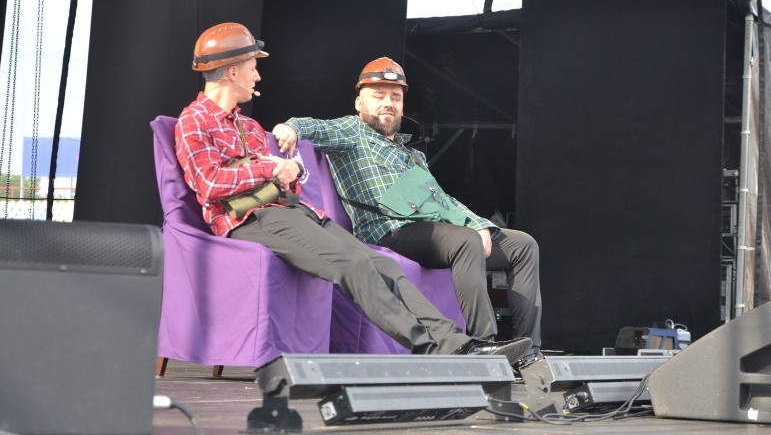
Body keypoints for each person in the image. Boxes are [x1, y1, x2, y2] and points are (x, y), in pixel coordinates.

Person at [176, 23, 532, 363]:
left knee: (383, 264)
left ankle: (460, 346)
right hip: (249, 217)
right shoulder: (194, 120)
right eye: (253, 67)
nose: (258, 76)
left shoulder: (249, 125)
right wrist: (271, 169)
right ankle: (430, 349)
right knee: (354, 263)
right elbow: (209, 184)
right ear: (233, 72)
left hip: (293, 210)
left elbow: (285, 180)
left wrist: (290, 171)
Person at [273, 56, 543, 366]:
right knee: (465, 240)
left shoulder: (411, 153)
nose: (388, 103)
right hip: (390, 231)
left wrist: (478, 223)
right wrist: (290, 128)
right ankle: (485, 347)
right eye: (379, 95)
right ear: (359, 102)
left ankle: (529, 353)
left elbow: (445, 202)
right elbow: (312, 127)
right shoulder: (352, 130)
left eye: (395, 97)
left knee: (523, 245)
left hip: (433, 231)